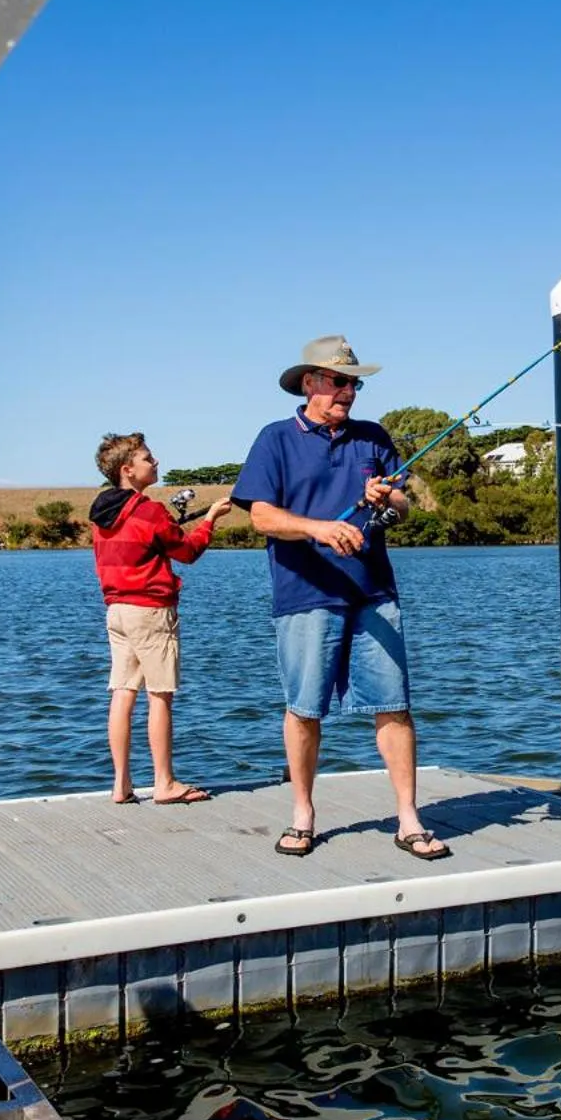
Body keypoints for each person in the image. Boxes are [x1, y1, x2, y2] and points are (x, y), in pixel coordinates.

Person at [231, 335, 451, 860]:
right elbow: (261, 516)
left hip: (374, 591)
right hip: (305, 595)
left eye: (354, 383)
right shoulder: (275, 439)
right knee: (304, 708)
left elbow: (400, 506)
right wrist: (320, 529)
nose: (347, 392)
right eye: (338, 381)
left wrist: (387, 497)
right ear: (309, 383)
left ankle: (409, 819)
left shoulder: (373, 437)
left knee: (395, 705)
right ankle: (303, 815)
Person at [91, 431, 232, 806]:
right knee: (160, 696)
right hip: (151, 612)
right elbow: (186, 552)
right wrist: (211, 519)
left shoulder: (100, 513)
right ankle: (164, 782)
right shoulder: (147, 510)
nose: (155, 463)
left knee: (123, 692)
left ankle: (121, 784)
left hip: (116, 611)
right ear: (128, 469)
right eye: (148, 458)